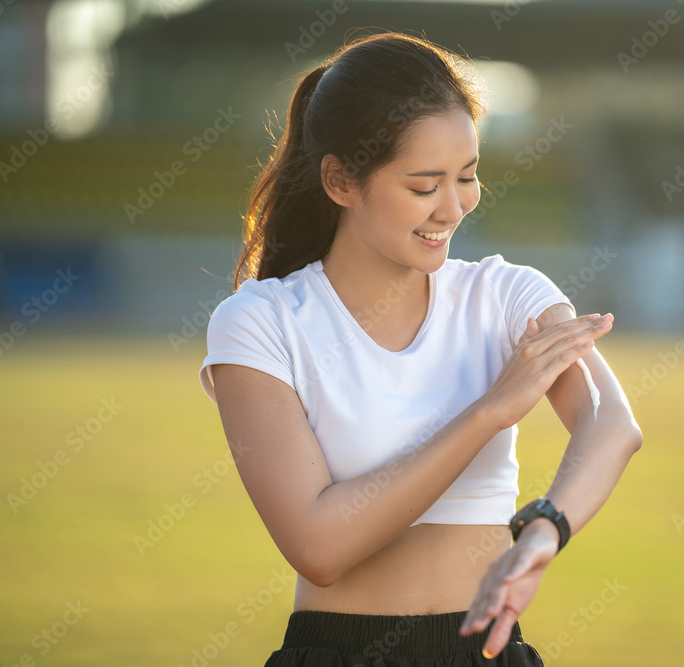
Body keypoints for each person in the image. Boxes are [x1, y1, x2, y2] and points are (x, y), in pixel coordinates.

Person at [197, 31, 643, 667]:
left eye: (467, 176)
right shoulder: (259, 322)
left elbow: (612, 425)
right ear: (340, 180)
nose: (453, 206)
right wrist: (489, 411)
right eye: (424, 185)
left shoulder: (506, 293)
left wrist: (543, 531)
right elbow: (318, 548)